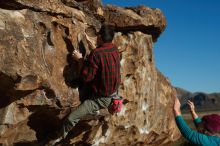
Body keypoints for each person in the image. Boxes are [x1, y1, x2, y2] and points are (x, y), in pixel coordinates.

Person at [47, 24, 121, 145]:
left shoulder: (97, 54)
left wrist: (80, 59)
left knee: (71, 118)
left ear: (100, 37)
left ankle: (58, 137)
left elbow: (86, 77)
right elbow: (104, 61)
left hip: (101, 99)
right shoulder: (114, 50)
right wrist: (94, 49)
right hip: (113, 92)